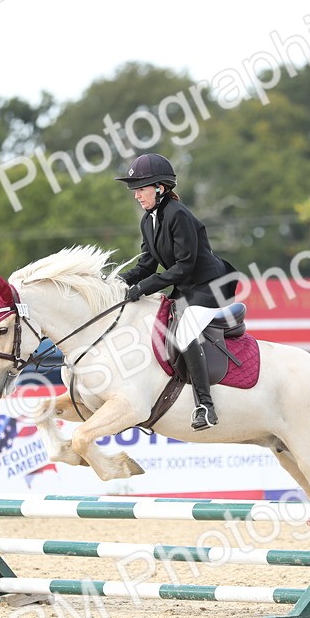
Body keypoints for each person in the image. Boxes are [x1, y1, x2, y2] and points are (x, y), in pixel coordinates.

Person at [115, 152, 238, 431]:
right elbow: (146, 265)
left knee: (184, 333)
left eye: (141, 189)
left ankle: (205, 405)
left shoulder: (178, 214)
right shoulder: (148, 221)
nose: (136, 195)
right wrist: (116, 282)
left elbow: (184, 266)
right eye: (135, 189)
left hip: (209, 288)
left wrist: (142, 288)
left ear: (160, 188)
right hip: (186, 289)